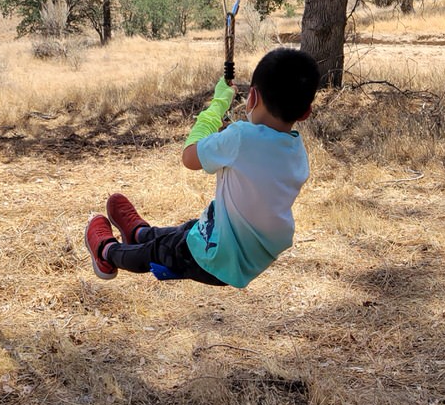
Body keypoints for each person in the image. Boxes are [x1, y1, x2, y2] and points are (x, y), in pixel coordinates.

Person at [84, 47, 320, 288]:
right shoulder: (296, 150)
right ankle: (139, 233)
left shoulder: (239, 138)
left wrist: (218, 105)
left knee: (157, 252)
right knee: (188, 230)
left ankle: (106, 252)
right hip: (249, 256)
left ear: (252, 97)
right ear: (305, 113)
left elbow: (189, 157)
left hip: (215, 259)